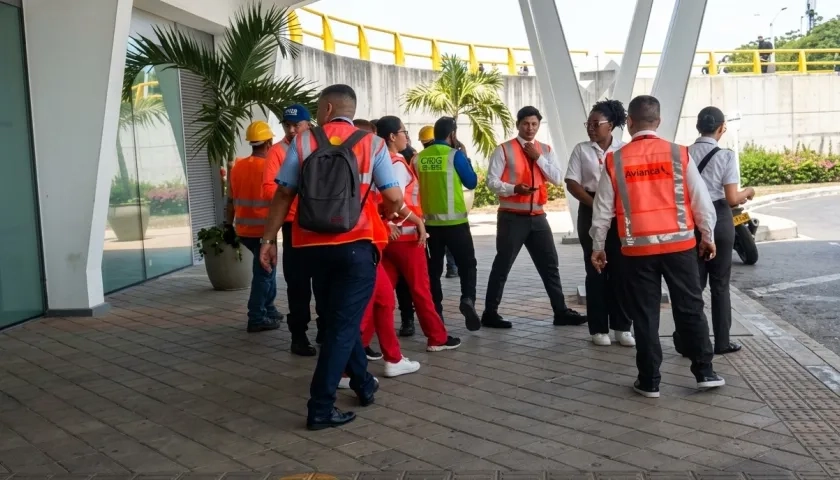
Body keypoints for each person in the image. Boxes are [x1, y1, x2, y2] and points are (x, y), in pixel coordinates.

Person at [259, 84, 403, 430]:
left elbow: (282, 194)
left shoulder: (304, 142)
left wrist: (269, 239)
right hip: (356, 247)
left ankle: (363, 384)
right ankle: (320, 407)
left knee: (339, 320)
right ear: (350, 111)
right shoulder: (374, 144)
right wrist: (382, 210)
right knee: (342, 326)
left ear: (325, 109)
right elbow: (395, 197)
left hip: (311, 247)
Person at [590, 94, 725, 398]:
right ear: (659, 121)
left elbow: (602, 211)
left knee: (645, 314)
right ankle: (704, 371)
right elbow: (700, 200)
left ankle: (650, 380)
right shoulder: (678, 154)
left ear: (630, 123)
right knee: (690, 308)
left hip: (636, 251)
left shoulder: (616, 159)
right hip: (680, 247)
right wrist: (708, 236)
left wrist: (598, 247)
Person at [483, 106, 586, 329]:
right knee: (503, 265)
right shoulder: (504, 150)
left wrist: (538, 157)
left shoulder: (545, 150)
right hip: (512, 217)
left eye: (534, 124)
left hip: (538, 217)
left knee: (550, 265)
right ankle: (489, 313)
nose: (530, 128)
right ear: (518, 124)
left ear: (539, 125)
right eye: (526, 124)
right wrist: (514, 189)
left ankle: (560, 312)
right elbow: (491, 182)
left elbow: (558, 178)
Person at [673, 106, 755, 356]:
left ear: (698, 127)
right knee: (720, 284)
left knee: (692, 285)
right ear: (722, 128)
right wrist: (748, 192)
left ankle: (689, 341)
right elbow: (732, 198)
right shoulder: (726, 156)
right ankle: (722, 342)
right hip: (719, 218)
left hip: (690, 220)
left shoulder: (682, 154)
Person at [376, 116, 462, 351]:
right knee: (421, 290)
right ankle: (437, 337)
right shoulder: (396, 164)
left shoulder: (380, 162)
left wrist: (385, 222)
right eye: (404, 131)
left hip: (390, 239)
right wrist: (418, 222)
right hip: (407, 239)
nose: (408, 136)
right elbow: (395, 200)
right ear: (392, 137)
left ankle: (359, 344)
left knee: (380, 296)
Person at [565, 100, 635, 347]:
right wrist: (596, 205)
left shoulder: (624, 150)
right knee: (596, 269)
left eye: (597, 124)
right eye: (589, 124)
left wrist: (612, 207)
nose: (591, 128)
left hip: (619, 212)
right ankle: (598, 328)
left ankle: (622, 327)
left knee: (622, 270)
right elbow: (572, 182)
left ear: (612, 125)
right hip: (590, 207)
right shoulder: (581, 150)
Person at [414, 116, 481, 331]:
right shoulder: (455, 156)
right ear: (452, 134)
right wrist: (466, 158)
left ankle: (437, 315)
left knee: (433, 271)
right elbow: (471, 182)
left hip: (429, 226)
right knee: (467, 265)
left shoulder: (418, 158)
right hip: (456, 224)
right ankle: (467, 299)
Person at [264, 105, 320, 355]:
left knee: (323, 281)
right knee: (297, 284)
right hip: (293, 226)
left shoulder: (320, 145)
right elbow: (270, 190)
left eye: (296, 124)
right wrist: (299, 201)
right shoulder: (278, 151)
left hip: (319, 225)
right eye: (287, 124)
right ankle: (298, 336)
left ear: (308, 124)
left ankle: (325, 329)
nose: (291, 129)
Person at [226, 121, 284, 333]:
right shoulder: (270, 168)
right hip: (264, 232)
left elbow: (230, 200)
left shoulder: (238, 166)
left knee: (267, 271)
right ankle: (256, 316)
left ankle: (269, 309)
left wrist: (227, 224)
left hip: (243, 230)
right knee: (265, 273)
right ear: (269, 142)